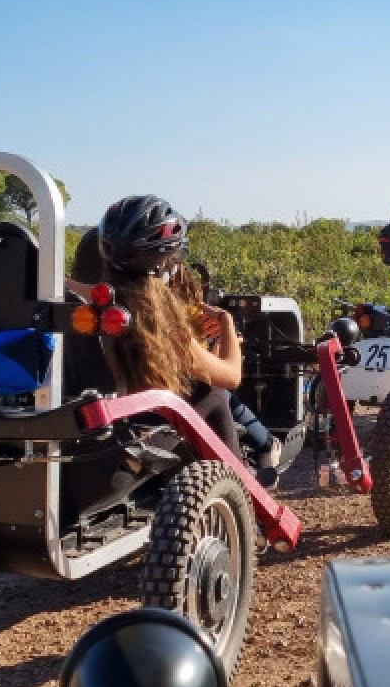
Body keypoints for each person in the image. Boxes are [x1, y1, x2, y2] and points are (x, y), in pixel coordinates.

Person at [70, 196, 283, 482]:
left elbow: (71, 286)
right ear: (164, 263)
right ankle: (240, 491)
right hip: (139, 435)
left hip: (90, 431)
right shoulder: (161, 324)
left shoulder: (85, 302)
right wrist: (227, 324)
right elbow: (230, 376)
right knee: (214, 393)